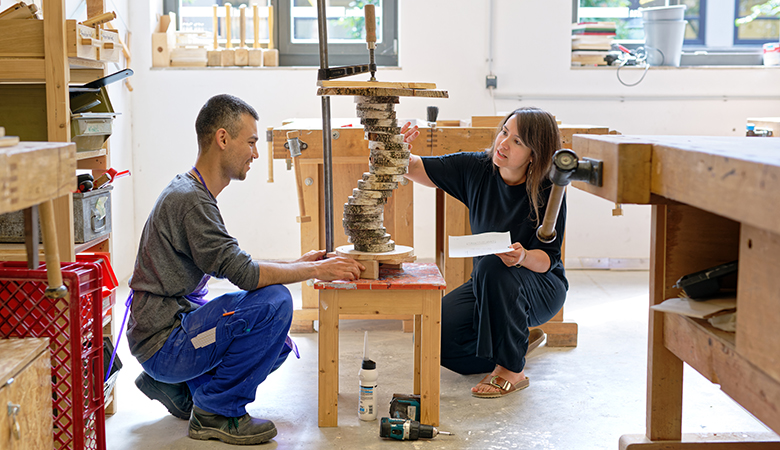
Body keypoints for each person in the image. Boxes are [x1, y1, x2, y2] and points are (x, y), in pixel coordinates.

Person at [127, 94, 364, 445]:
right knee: (275, 305)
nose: (256, 153)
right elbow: (247, 275)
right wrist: (317, 271)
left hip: (171, 328)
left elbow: (239, 263)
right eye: (251, 142)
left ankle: (178, 388)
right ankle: (216, 413)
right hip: (163, 342)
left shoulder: (193, 192)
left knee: (277, 343)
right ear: (223, 139)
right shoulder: (191, 201)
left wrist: (297, 264)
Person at [402, 107, 568, 398]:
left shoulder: (548, 189)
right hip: (487, 284)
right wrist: (396, 150)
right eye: (504, 132)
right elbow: (414, 167)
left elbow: (546, 261)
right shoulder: (478, 168)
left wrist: (523, 257)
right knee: (435, 337)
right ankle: (514, 342)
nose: (503, 143)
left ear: (534, 153)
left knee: (494, 267)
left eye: (517, 141)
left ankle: (511, 370)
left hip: (541, 286)